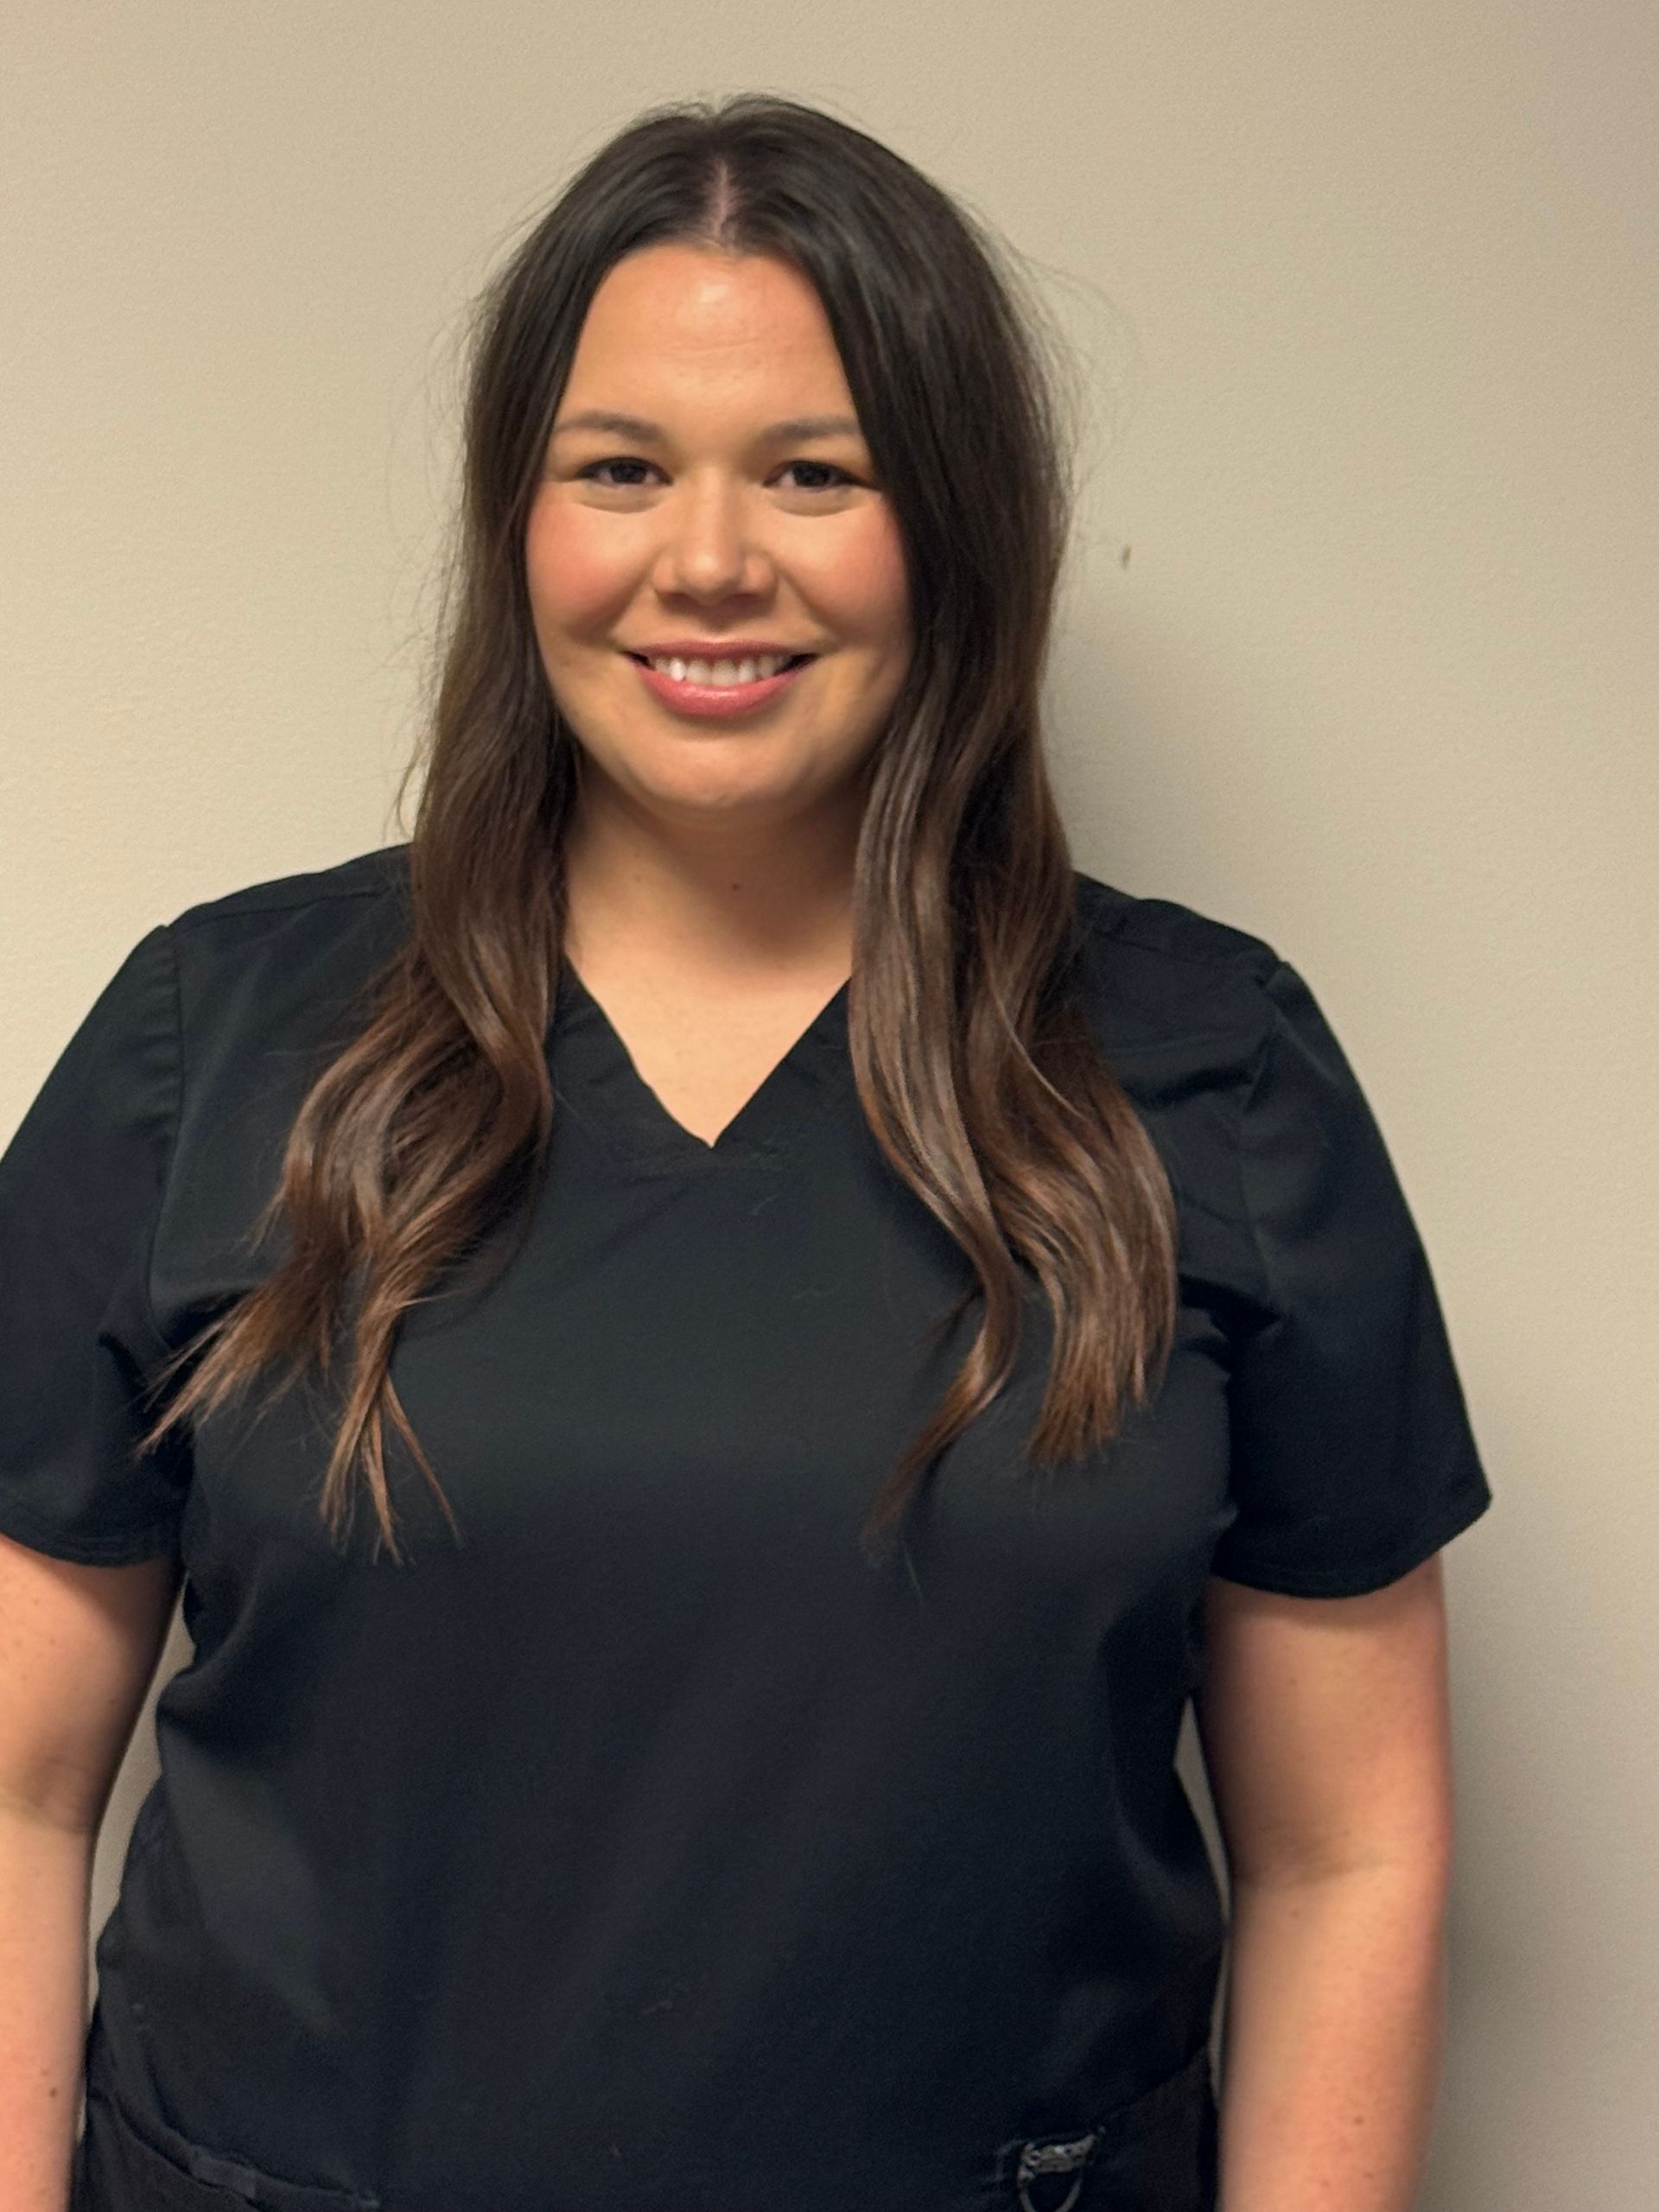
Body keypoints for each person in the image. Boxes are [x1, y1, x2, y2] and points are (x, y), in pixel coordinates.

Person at [0, 92, 1491, 2212]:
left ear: (954, 524)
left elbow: (1351, 1850)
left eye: (815, 471)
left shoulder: (1211, 1073)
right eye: (621, 470)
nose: (709, 558)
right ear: (521, 518)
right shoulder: (209, 1045)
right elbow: (14, 1788)